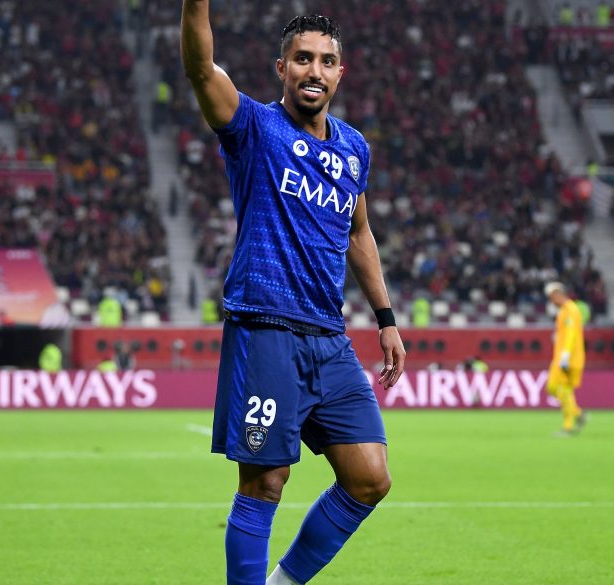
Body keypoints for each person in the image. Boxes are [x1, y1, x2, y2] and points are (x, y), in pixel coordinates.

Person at [180, 6, 406, 585]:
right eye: (303, 59)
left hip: (329, 339)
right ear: (282, 67)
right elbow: (201, 69)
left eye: (327, 61)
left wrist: (385, 318)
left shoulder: (354, 148)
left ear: (340, 73)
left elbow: (357, 233)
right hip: (266, 329)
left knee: (370, 478)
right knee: (265, 482)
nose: (315, 71)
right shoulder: (254, 127)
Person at [544, 282, 585, 436]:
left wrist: (566, 354)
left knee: (563, 390)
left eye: (551, 298)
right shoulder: (563, 311)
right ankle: (578, 414)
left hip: (570, 358)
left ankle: (568, 426)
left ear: (558, 294)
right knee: (552, 387)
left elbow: (571, 333)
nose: (551, 301)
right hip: (560, 357)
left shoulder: (571, 310)